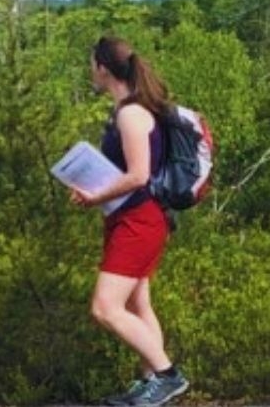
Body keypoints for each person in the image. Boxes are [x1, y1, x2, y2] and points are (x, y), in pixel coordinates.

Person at [73, 36, 189, 406]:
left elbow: (139, 175)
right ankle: (150, 380)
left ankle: (168, 376)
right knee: (139, 303)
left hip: (139, 221)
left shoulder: (131, 114)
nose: (90, 70)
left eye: (92, 64)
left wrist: (95, 195)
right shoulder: (128, 109)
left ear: (103, 68)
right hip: (129, 218)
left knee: (105, 307)